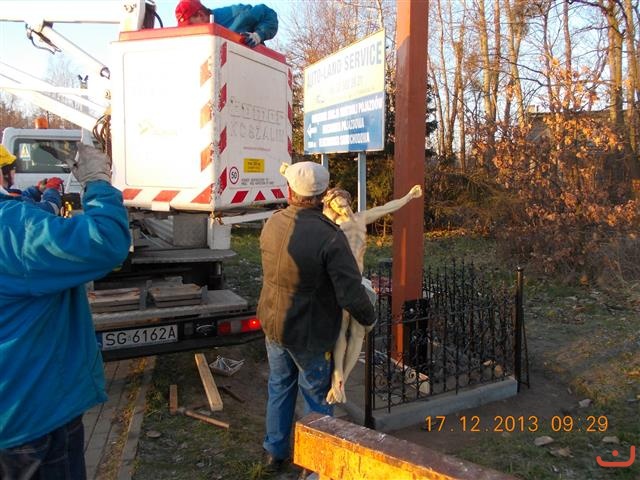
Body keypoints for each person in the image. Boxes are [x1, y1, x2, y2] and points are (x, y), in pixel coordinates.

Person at [0, 143, 131, 479]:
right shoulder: (12, 228)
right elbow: (105, 241)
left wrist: (38, 194)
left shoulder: (15, 221)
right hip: (33, 416)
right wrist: (98, 183)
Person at [257, 161, 376, 473]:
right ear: (323, 195)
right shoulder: (330, 237)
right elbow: (350, 293)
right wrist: (369, 317)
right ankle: (316, 466)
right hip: (309, 333)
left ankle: (274, 452)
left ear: (290, 191)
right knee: (317, 399)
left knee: (280, 386)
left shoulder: (272, 223)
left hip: (274, 324)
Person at [323, 184, 423, 404]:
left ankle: (341, 380)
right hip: (341, 283)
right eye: (337, 204)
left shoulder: (360, 219)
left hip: (357, 282)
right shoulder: (330, 225)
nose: (343, 207)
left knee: (357, 332)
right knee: (341, 329)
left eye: (344, 203)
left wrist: (408, 196)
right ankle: (337, 376)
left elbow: (386, 208)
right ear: (330, 206)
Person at [175, 0, 278, 47]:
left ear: (201, 15)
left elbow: (268, 13)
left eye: (190, 26)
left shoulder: (237, 14)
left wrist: (258, 35)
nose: (190, 32)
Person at [0, 144, 64, 215]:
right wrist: (51, 189)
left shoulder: (5, 196)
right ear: (4, 173)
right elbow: (49, 210)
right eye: (13, 168)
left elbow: (18, 196)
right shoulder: (10, 203)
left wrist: (38, 190)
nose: (14, 172)